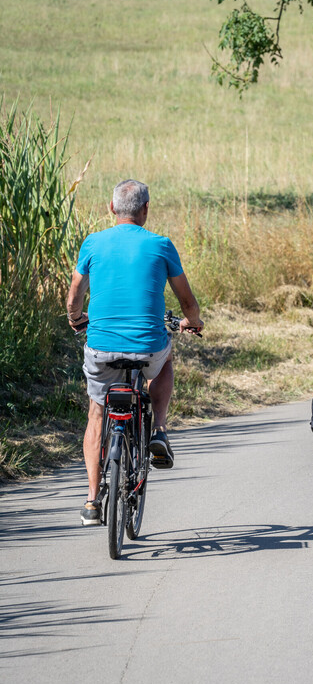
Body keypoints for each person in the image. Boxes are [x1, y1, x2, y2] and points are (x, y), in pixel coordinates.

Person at [67, 179, 204, 526]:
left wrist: (76, 318)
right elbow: (186, 300)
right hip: (147, 347)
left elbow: (74, 297)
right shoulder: (161, 245)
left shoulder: (92, 243)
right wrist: (193, 321)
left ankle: (90, 501)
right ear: (145, 210)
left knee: (97, 413)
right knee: (166, 359)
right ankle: (158, 429)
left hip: (101, 347)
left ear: (111, 208)